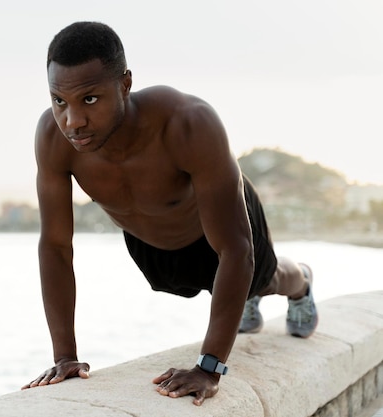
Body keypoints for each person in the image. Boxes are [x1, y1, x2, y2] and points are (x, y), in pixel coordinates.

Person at [22, 21, 318, 406]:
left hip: (222, 226)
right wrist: (64, 357)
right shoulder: (52, 139)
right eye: (59, 101)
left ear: (125, 85)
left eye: (90, 100)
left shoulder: (188, 122)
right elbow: (56, 246)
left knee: (265, 277)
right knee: (188, 284)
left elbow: (236, 248)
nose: (72, 121)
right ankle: (240, 297)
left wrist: (209, 368)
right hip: (153, 244)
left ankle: (302, 283)